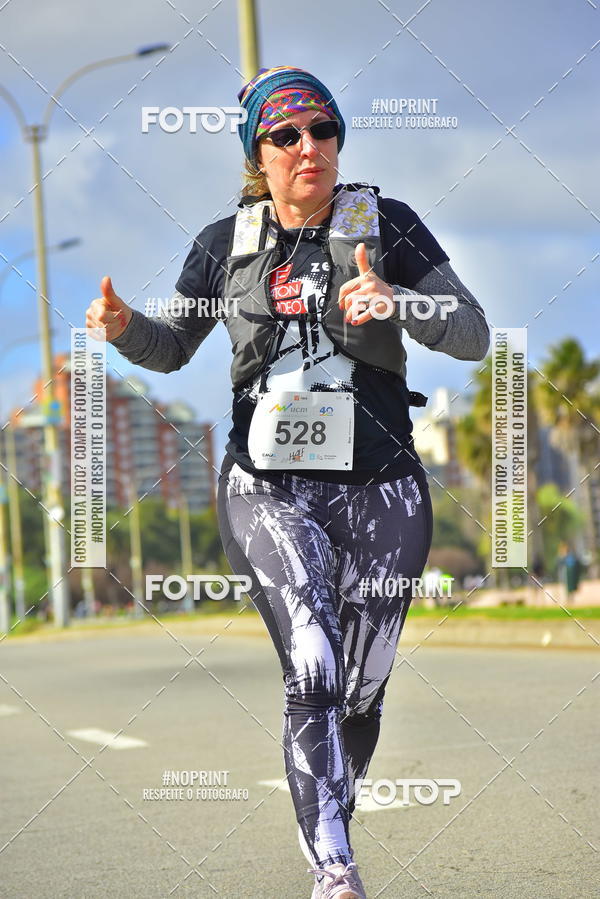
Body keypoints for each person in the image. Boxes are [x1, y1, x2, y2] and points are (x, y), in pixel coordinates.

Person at [86, 65, 490, 899]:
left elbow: (475, 333)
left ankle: (329, 816)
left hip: (381, 484)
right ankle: (334, 871)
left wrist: (399, 305)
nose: (311, 147)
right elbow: (173, 347)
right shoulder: (223, 244)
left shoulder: (388, 225)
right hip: (266, 485)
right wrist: (126, 329)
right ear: (258, 155)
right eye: (287, 135)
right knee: (311, 668)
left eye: (324, 130)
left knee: (361, 690)